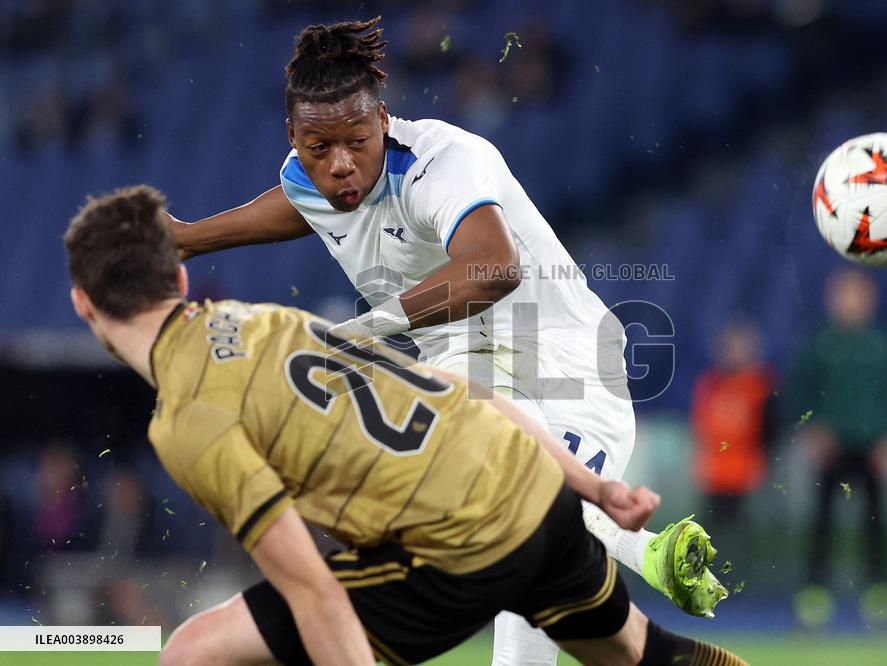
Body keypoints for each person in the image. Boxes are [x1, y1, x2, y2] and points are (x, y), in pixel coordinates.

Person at [166, 16, 726, 664]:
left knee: (530, 573)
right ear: (294, 137)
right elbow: (298, 200)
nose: (340, 166)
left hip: (568, 364)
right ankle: (646, 555)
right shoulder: (310, 176)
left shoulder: (444, 162)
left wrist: (361, 334)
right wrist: (189, 236)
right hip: (465, 368)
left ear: (383, 120)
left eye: (355, 141)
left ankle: (643, 554)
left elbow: (494, 267)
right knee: (523, 555)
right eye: (319, 148)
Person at [64, 185, 747, 666]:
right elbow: (458, 390)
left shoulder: (188, 420)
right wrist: (591, 488)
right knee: (640, 654)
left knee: (191, 654)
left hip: (463, 545)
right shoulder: (268, 320)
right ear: (181, 283)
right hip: (539, 489)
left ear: (83, 303)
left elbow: (315, 590)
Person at [787, 268, 887, 627]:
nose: (850, 303)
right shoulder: (820, 342)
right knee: (822, 523)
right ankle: (814, 597)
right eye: (843, 295)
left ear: (870, 300)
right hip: (831, 448)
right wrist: (813, 432)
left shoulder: (882, 344)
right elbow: (801, 393)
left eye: (857, 295)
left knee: (876, 523)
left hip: (871, 447)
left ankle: (879, 597)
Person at [690, 319, 776, 563]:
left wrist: (765, 462)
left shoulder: (761, 385)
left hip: (747, 468)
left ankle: (745, 580)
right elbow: (701, 424)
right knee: (709, 531)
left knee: (743, 533)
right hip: (715, 468)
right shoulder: (709, 383)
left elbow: (769, 429)